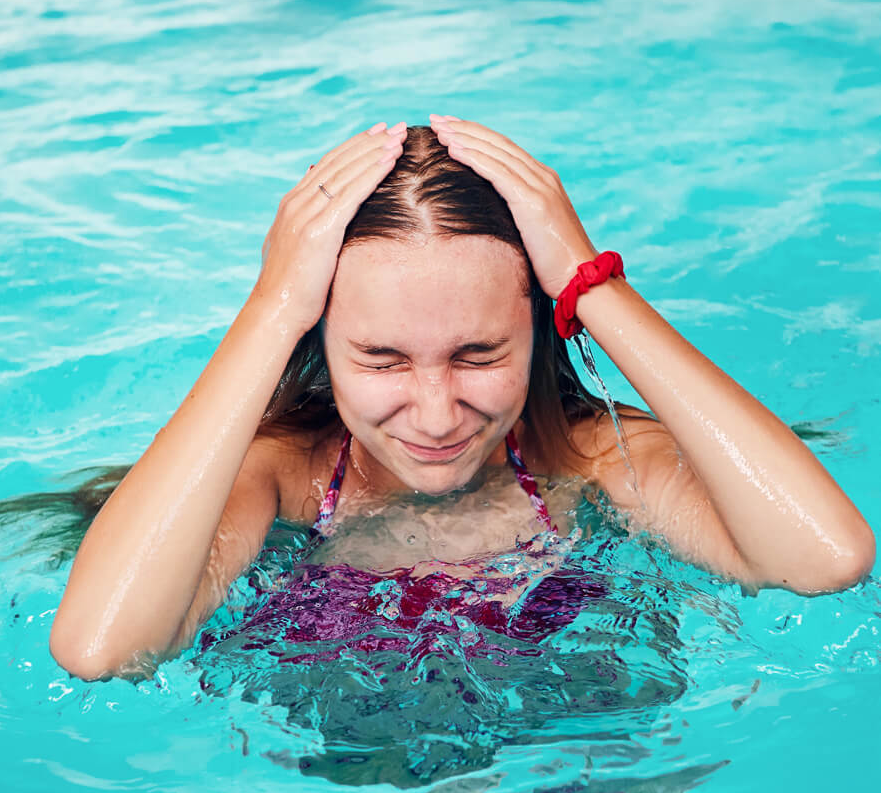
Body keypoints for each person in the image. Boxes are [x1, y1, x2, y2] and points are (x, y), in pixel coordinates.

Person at [49, 117, 875, 682]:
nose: (437, 415)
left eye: (479, 355)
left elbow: (825, 560)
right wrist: (272, 307)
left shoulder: (590, 457)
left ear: (539, 333)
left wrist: (592, 286)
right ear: (319, 342)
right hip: (364, 775)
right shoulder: (283, 477)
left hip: (587, 751)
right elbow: (100, 648)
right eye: (381, 359)